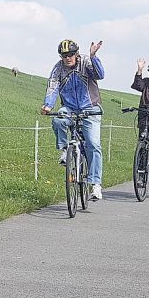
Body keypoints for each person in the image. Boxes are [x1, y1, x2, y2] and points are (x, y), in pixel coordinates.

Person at [40, 39, 106, 200]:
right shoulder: (58, 68)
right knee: (58, 120)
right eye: (64, 55)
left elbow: (100, 75)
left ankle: (95, 184)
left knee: (93, 144)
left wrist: (93, 56)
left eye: (70, 54)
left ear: (76, 54)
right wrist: (48, 105)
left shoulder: (85, 62)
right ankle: (64, 151)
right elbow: (53, 86)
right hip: (69, 107)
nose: (68, 58)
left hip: (90, 108)